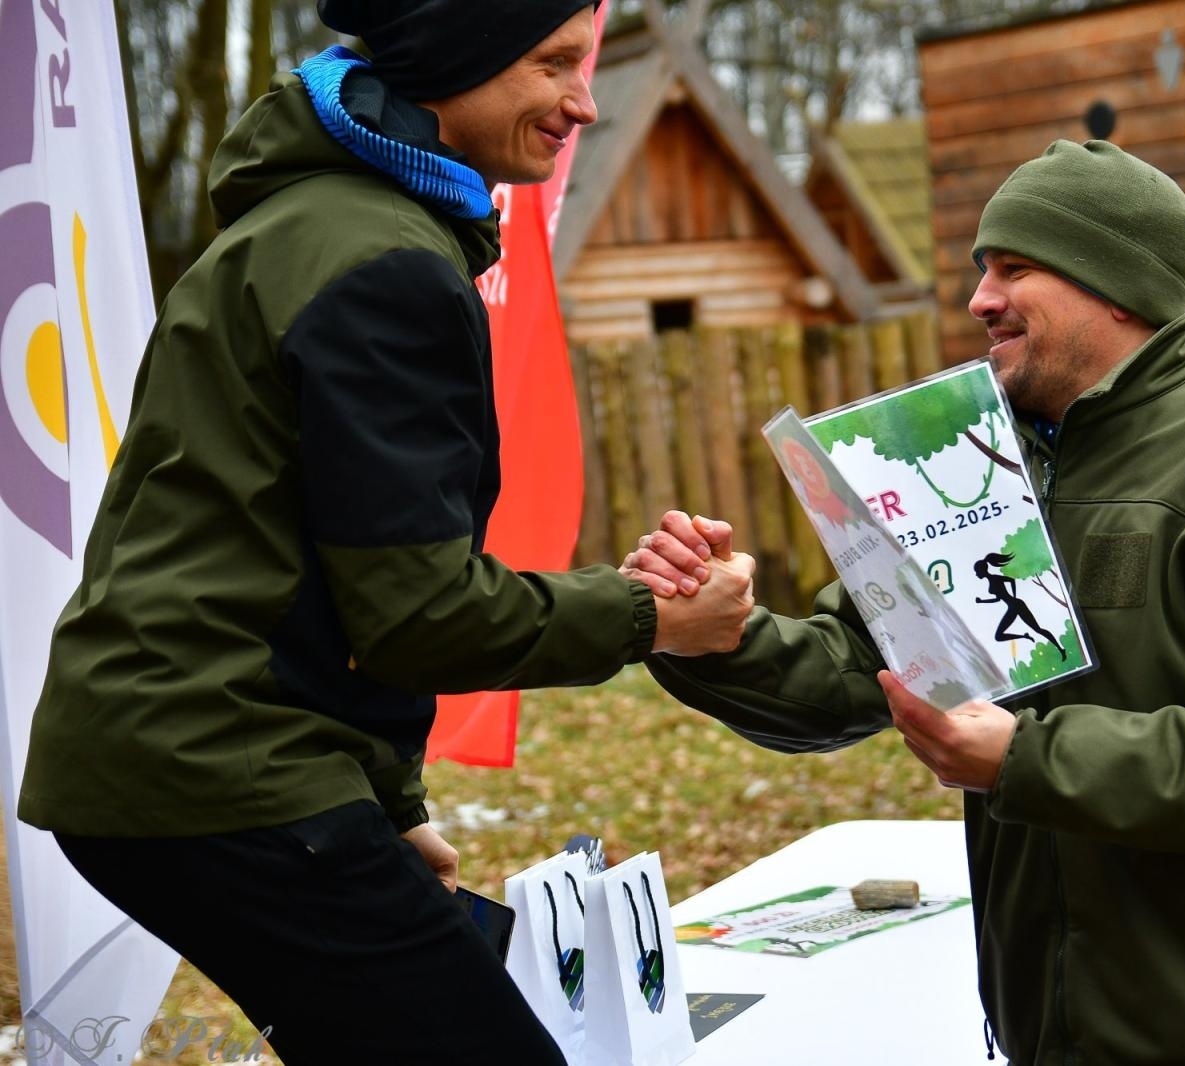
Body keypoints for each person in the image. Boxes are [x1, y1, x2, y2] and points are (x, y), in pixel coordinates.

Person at [16, 2, 753, 1062]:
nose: (583, 103)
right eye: (552, 65)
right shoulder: (384, 264)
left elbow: (301, 563)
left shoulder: (312, 225)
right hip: (220, 766)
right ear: (455, 59)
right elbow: (422, 616)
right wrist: (656, 617)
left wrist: (385, 802)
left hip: (180, 754)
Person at [626, 140, 1185, 1064]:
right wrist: (704, 629)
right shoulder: (977, 473)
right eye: (982, 270)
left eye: (1015, 269)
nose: (980, 299)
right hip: (1054, 1029)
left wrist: (1028, 760)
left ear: (1119, 289)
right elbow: (852, 669)